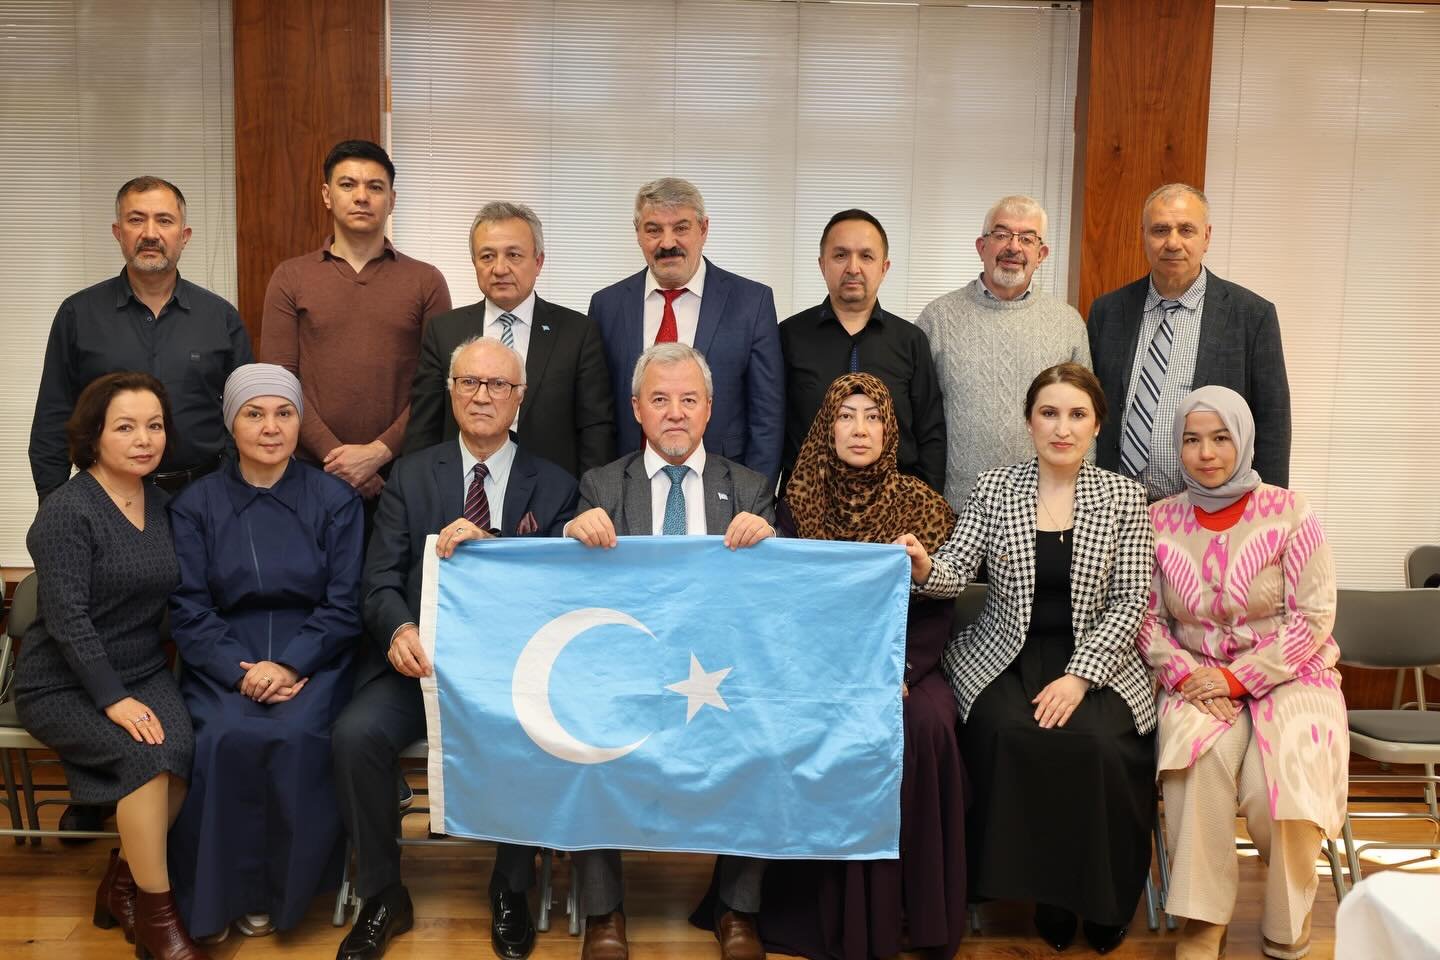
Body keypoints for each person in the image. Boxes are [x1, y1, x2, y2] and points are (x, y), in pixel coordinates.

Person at [331, 337, 579, 960]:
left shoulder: (554, 485)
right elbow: (378, 581)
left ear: (519, 399)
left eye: (498, 385)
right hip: (422, 669)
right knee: (355, 735)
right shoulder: (414, 474)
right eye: (470, 383)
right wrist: (397, 631)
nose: (483, 396)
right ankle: (383, 893)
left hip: (510, 675)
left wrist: (493, 541)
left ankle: (510, 887)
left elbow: (560, 594)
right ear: (451, 392)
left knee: (533, 727)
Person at [898, 362, 1156, 955]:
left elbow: (1129, 601)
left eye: (1076, 415)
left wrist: (1078, 677)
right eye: (1048, 413)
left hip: (1100, 658)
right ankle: (1039, 895)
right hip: (1004, 653)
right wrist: (923, 567)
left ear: (1096, 425)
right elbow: (956, 570)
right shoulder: (995, 487)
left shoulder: (1123, 495)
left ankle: (1100, 900)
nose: (1061, 428)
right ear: (1029, 421)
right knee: (1006, 731)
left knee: (1097, 744)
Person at [566, 342, 775, 960]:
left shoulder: (750, 488)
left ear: (709, 409)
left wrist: (770, 537)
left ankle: (737, 912)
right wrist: (575, 533)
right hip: (629, 669)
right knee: (584, 733)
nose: (675, 413)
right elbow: (571, 597)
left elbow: (772, 601)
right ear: (637, 409)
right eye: (661, 399)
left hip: (722, 672)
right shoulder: (602, 484)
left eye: (689, 400)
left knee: (765, 737)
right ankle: (605, 914)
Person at [757, 372, 966, 960]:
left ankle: (913, 913)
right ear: (827, 426)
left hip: (906, 666)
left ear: (889, 428)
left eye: (872, 416)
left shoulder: (921, 504)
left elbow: (937, 610)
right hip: (817, 668)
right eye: (846, 415)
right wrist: (836, 674)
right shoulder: (795, 504)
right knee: (810, 725)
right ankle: (819, 918)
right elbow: (786, 609)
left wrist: (899, 673)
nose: (859, 428)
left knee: (924, 727)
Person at [1138, 386, 1348, 960]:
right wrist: (1184, 675)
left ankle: (1288, 918)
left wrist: (1240, 679)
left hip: (1294, 672)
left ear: (1244, 439)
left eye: (1220, 437)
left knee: (1274, 785)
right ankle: (1203, 920)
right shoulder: (1157, 520)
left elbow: (1315, 614)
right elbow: (1146, 619)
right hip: (1195, 674)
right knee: (1195, 763)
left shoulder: (1291, 511)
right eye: (1191, 440)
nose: (1206, 452)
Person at [165, 364, 364, 942]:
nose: (271, 427)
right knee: (223, 737)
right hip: (224, 656)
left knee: (297, 736)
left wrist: (293, 663)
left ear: (300, 422)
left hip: (314, 653)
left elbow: (345, 602)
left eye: (285, 413)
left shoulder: (336, 500)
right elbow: (190, 608)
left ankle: (285, 896)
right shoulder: (195, 505)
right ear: (231, 423)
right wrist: (235, 670)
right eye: (254, 413)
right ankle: (218, 898)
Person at [15, 372, 206, 960]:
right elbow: (68, 619)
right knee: (146, 761)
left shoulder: (166, 505)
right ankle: (159, 922)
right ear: (93, 435)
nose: (144, 439)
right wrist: (112, 699)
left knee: (181, 754)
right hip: (64, 681)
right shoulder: (67, 511)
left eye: (154, 426)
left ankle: (121, 886)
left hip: (143, 670)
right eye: (125, 427)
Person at [30, 176, 253, 500]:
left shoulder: (221, 318)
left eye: (164, 220)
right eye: (136, 220)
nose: (150, 234)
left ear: (184, 236)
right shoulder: (78, 315)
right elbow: (53, 419)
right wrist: (54, 505)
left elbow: (246, 415)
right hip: (107, 501)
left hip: (204, 498)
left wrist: (231, 493)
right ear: (118, 233)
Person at [260, 139, 452, 513]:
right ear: (327, 195)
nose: (361, 196)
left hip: (403, 476)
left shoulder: (426, 281)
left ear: (392, 200)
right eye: (348, 185)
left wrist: (378, 454)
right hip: (311, 474)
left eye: (375, 187)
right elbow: (279, 380)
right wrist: (340, 459)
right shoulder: (290, 277)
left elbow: (438, 385)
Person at [1088, 183, 1291, 500]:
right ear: (1143, 235)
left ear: (1206, 236)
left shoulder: (1251, 315)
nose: (1172, 242)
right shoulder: (1108, 311)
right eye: (1160, 230)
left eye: (1186, 230)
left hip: (1209, 509)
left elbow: (1273, 423)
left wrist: (1269, 510)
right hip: (1117, 507)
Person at [588, 177, 784, 486]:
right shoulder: (607, 306)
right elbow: (597, 417)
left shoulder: (752, 302)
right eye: (654, 230)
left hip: (726, 492)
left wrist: (753, 499)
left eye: (681, 228)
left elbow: (767, 419)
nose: (667, 243)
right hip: (629, 491)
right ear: (637, 233)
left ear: (703, 229)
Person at [403, 200, 615, 477]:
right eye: (487, 256)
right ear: (474, 263)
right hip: (459, 498)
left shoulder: (578, 333)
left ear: (538, 262)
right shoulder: (444, 332)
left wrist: (590, 502)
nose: (499, 268)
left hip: (551, 501)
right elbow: (423, 430)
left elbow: (595, 431)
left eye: (513, 255)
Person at [915, 194, 1089, 509]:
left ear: (1042, 253)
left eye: (1027, 238)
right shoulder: (937, 318)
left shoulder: (1067, 323)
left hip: (1043, 510)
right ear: (982, 246)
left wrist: (1080, 504)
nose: (1013, 247)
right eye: (1001, 234)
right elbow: (916, 420)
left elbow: (1085, 422)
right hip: (955, 508)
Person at [779, 210, 945, 493]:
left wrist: (923, 506)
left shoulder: (910, 341)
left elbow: (931, 435)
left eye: (866, 256)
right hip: (806, 512)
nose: (853, 268)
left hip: (894, 513)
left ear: (884, 267)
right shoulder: (788, 336)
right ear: (822, 264)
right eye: (840, 255)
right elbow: (770, 429)